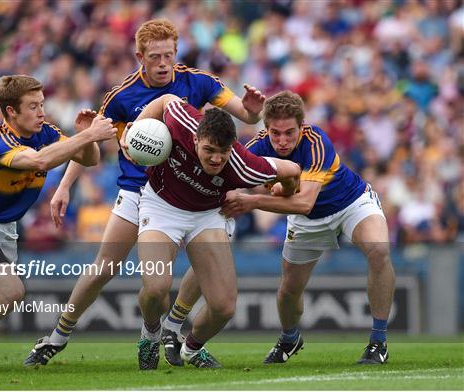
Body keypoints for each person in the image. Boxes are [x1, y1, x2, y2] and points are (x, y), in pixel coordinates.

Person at [24, 19, 267, 367]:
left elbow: (244, 114)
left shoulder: (197, 82)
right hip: (140, 191)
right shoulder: (123, 96)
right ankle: (58, 336)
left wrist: (253, 110)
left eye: (169, 54)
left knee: (208, 261)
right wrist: (64, 186)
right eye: (155, 57)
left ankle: (172, 327)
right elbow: (92, 138)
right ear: (140, 56)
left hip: (196, 192)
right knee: (104, 267)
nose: (164, 63)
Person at [0, 75, 117, 372]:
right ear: (11, 112)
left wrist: (84, 134)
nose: (41, 112)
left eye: (42, 104)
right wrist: (87, 137)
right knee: (10, 292)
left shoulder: (44, 132)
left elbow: (90, 159)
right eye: (33, 106)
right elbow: (40, 162)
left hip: (4, 229)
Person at [123, 94, 300, 369]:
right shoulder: (182, 122)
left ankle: (191, 349)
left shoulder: (245, 165)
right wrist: (135, 129)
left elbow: (293, 170)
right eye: (209, 151)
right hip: (160, 206)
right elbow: (165, 99)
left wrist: (284, 190)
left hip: (206, 216)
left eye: (224, 151)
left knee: (223, 307)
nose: (217, 159)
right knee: (157, 289)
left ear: (233, 146)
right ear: (196, 140)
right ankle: (150, 333)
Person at [219, 90, 396, 365]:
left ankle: (378, 342)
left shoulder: (316, 141)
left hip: (350, 202)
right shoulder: (255, 147)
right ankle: (289, 338)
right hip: (307, 222)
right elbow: (222, 173)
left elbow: (303, 203)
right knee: (290, 289)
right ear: (266, 129)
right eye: (275, 133)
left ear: (302, 126)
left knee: (379, 251)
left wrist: (252, 201)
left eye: (290, 132)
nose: (282, 140)